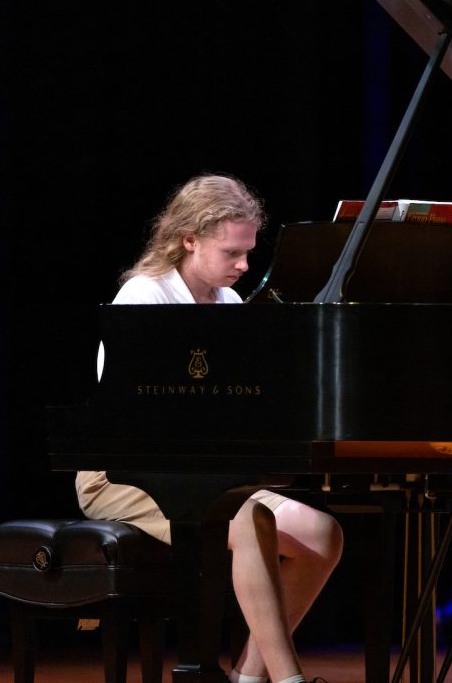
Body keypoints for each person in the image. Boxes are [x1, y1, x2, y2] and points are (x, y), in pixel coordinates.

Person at [75, 174, 342, 683]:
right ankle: (287, 679)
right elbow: (131, 413)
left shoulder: (229, 304)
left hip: (203, 473)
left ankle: (248, 677)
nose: (244, 266)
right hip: (124, 475)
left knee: (323, 534)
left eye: (248, 253)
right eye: (232, 253)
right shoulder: (144, 296)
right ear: (189, 240)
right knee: (247, 517)